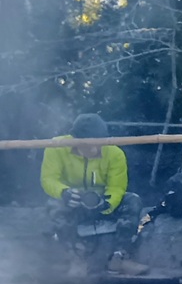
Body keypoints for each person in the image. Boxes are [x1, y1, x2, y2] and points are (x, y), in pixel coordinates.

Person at [41, 113, 148, 275]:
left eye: (97, 143)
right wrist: (64, 192)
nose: (92, 148)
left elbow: (117, 187)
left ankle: (119, 258)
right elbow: (48, 179)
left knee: (133, 200)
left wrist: (107, 203)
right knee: (54, 205)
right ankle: (74, 259)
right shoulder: (56, 147)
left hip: (103, 201)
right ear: (74, 139)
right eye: (86, 144)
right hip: (73, 200)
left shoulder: (115, 153)